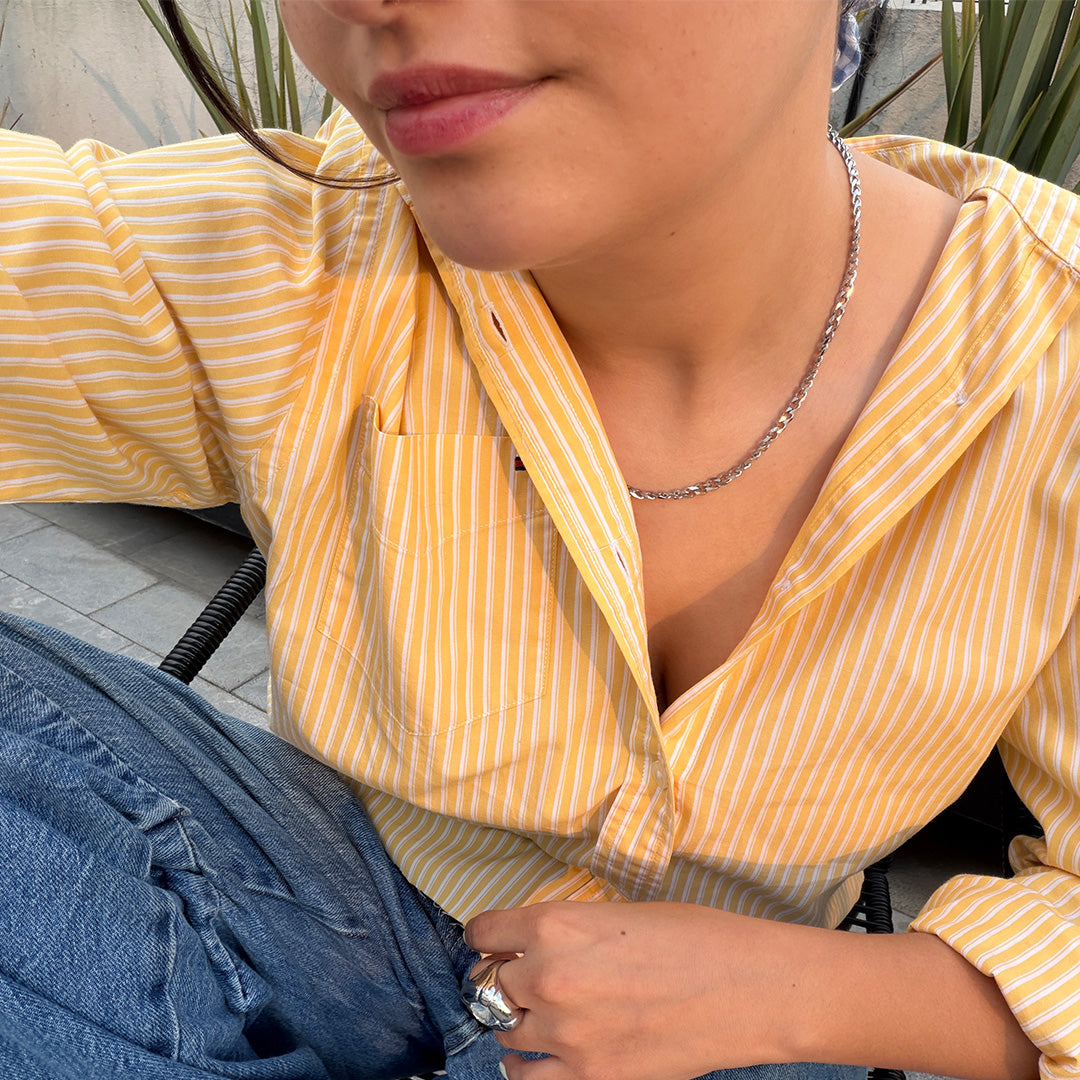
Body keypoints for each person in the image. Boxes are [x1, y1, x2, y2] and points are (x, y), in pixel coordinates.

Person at [0, 1, 1077, 1078]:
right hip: (319, 893)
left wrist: (807, 997)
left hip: (752, 1021)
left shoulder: (1052, 356)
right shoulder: (292, 258)